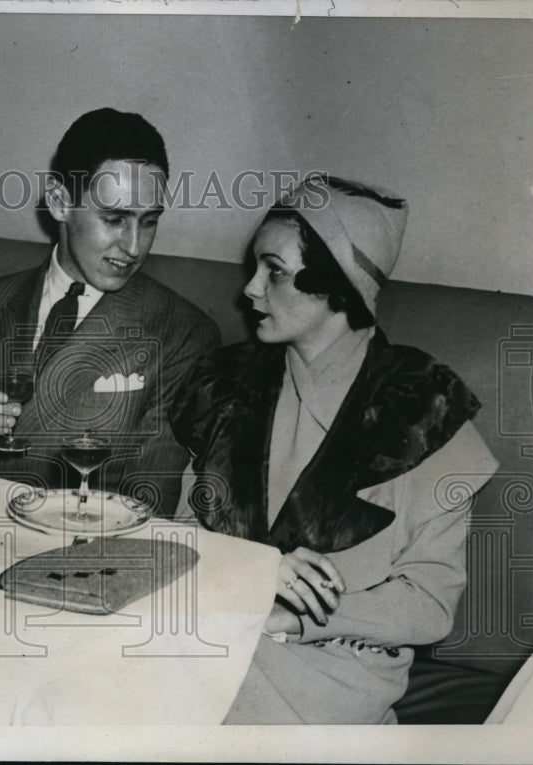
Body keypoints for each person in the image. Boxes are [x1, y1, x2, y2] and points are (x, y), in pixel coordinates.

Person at [170, 175, 498, 723]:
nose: (250, 288)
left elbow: (430, 603)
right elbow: (181, 536)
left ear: (337, 285)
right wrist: (246, 580)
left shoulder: (426, 408)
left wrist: (290, 619)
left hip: (332, 671)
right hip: (206, 638)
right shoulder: (225, 385)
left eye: (273, 270)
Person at [0, 108, 220, 517]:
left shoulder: (183, 332)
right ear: (61, 203)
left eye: (148, 222)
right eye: (114, 219)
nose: (133, 246)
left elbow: (146, 501)